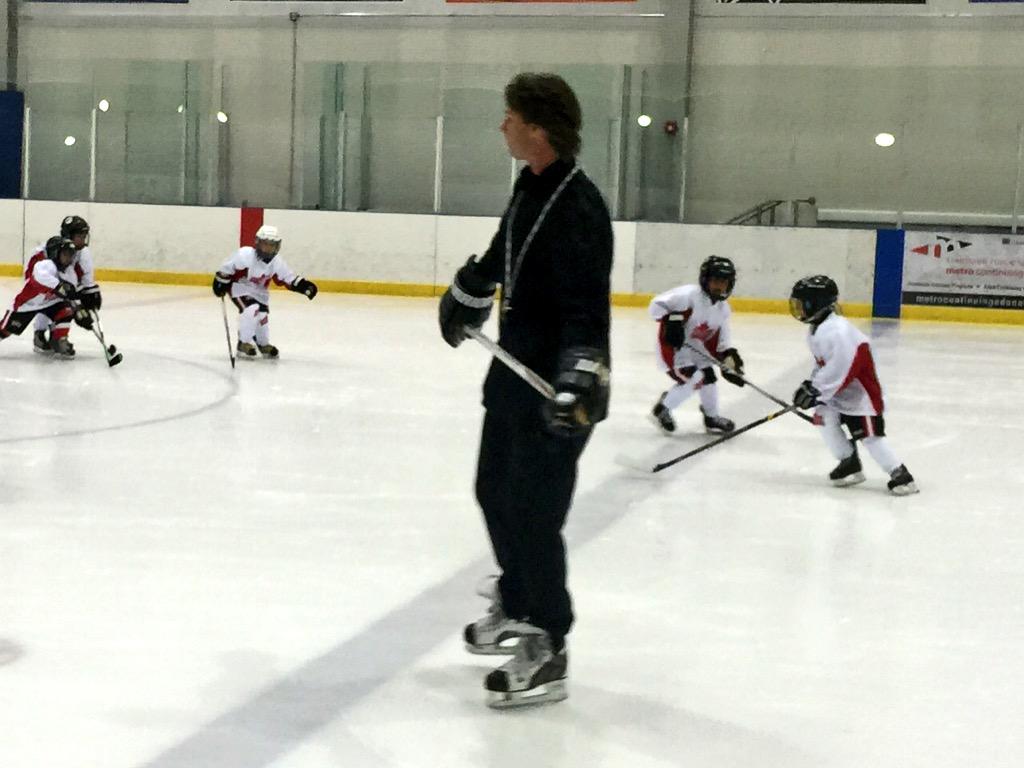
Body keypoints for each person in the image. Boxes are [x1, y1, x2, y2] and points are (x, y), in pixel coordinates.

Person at [438, 72, 612, 709]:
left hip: (555, 391)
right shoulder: (532, 186)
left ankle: (548, 643)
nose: (502, 126)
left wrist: (577, 381)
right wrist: (469, 291)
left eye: (510, 117)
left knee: (536, 514)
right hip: (512, 375)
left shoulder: (579, 208)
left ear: (537, 128)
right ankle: (517, 602)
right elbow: (501, 253)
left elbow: (586, 310)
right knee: (494, 492)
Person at [789, 275, 918, 495]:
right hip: (838, 391)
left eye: (803, 304)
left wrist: (816, 389)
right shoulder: (817, 329)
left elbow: (843, 368)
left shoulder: (838, 331)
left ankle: (900, 474)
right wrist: (811, 385)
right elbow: (824, 365)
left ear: (817, 304)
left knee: (869, 436)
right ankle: (849, 462)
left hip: (861, 396)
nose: (798, 309)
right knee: (823, 418)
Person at [648, 256, 745, 435]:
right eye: (715, 280)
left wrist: (728, 361)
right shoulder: (687, 296)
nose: (719, 286)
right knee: (695, 378)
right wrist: (672, 320)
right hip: (673, 348)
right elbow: (656, 306)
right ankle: (661, 410)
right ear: (705, 280)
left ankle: (711, 418)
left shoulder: (723, 309)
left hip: (695, 349)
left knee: (708, 377)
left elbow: (720, 342)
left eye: (724, 282)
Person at [211, 224, 318, 359]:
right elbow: (228, 268)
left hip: (259, 292)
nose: (268, 248)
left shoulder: (276, 262)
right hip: (240, 288)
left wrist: (304, 286)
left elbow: (287, 277)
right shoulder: (246, 255)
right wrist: (220, 282)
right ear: (257, 243)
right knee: (251, 310)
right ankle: (243, 344)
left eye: (272, 245)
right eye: (265, 244)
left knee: (261, 315)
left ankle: (263, 344)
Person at [1, 237, 92, 358]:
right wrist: (60, 286)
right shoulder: (44, 265)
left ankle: (59, 341)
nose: (69, 258)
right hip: (27, 305)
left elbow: (71, 295)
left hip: (50, 304)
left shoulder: (69, 273)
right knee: (5, 330)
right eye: (65, 254)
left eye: (71, 255)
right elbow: (41, 277)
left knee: (66, 311)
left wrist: (80, 310)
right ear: (55, 253)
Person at [31, 215, 101, 356]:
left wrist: (90, 296)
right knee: (50, 301)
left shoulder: (83, 252)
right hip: (43, 286)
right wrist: (75, 305)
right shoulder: (47, 251)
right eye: (79, 236)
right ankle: (40, 333)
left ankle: (58, 337)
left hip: (65, 284)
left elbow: (85, 277)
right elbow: (39, 279)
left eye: (84, 235)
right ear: (68, 235)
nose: (83, 239)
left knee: (65, 304)